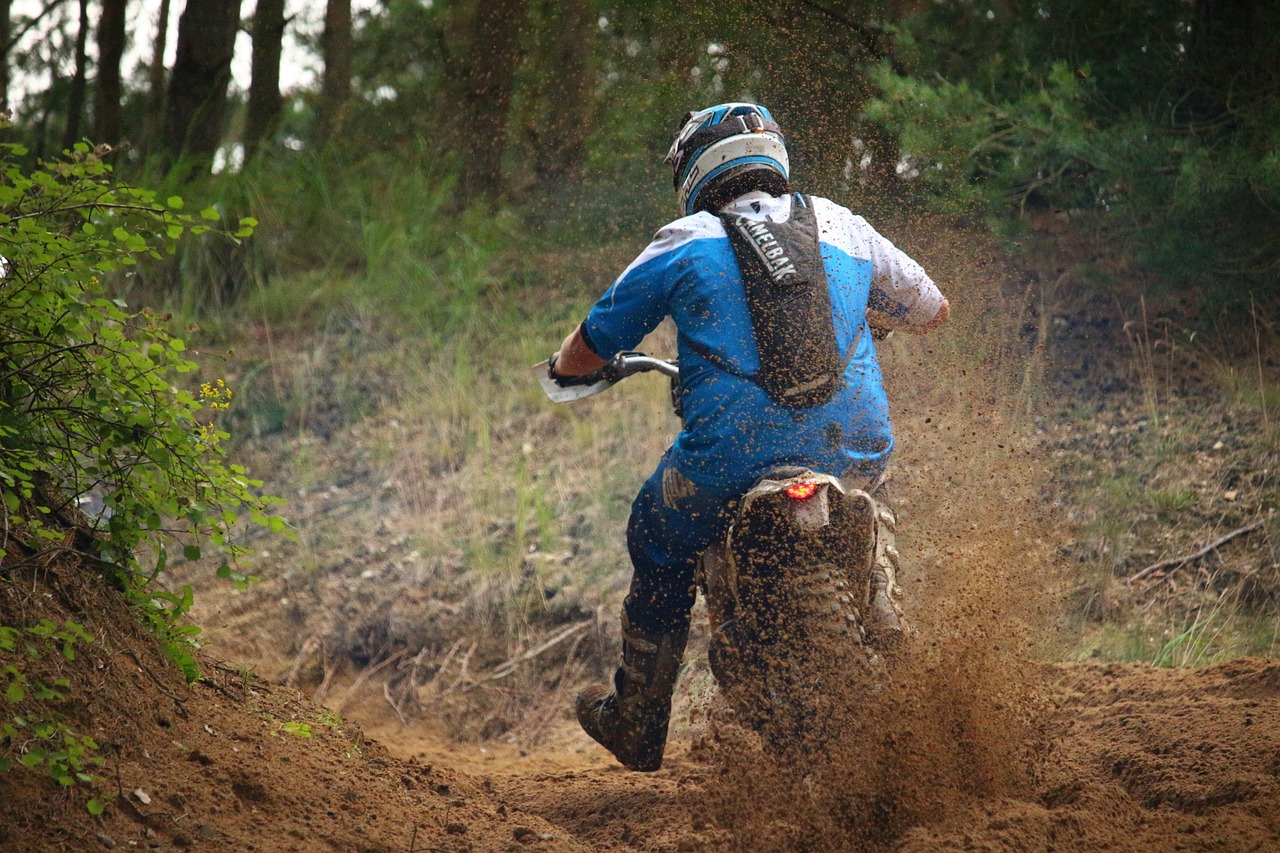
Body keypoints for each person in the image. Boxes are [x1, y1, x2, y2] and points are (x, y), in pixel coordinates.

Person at [548, 103, 949, 772]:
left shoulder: (682, 240)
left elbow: (589, 348)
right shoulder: (843, 224)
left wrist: (564, 369)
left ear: (695, 168)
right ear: (773, 154)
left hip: (728, 456)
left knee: (654, 531)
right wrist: (864, 315)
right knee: (876, 504)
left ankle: (639, 721)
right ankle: (887, 611)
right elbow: (933, 310)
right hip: (853, 442)